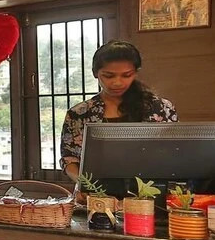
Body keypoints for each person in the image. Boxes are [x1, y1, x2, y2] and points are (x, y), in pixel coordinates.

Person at [60, 40, 177, 182]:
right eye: (108, 76)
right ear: (95, 73)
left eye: (126, 75)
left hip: (151, 188)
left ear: (136, 73)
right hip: (97, 190)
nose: (117, 82)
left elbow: (174, 152)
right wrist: (84, 184)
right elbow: (70, 159)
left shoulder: (161, 108)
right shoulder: (79, 114)